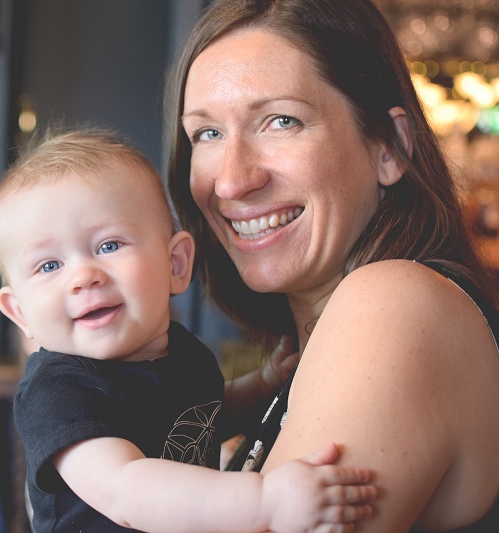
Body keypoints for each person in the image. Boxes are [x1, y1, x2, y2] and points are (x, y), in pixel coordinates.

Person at [166, 0, 499, 531]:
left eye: (281, 121)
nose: (230, 182)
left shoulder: (394, 303)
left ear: (389, 148)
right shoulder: (307, 352)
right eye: (207, 133)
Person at [0, 129, 378, 532]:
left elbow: (198, 416)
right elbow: (126, 489)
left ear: (175, 264)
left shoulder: (185, 354)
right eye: (49, 266)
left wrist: (261, 387)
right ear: (20, 312)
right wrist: (266, 501)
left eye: (109, 246)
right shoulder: (57, 391)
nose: (83, 277)